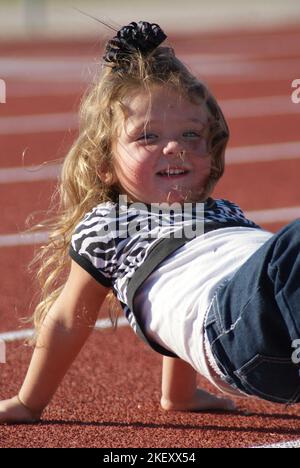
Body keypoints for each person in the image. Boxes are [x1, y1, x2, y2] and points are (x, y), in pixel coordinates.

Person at [1, 21, 300, 424]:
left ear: (212, 152)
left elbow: (181, 301)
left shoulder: (223, 212)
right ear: (104, 165)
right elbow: (70, 318)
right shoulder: (112, 224)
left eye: (192, 134)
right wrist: (28, 403)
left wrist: (179, 395)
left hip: (273, 324)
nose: (175, 147)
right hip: (242, 325)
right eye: (147, 137)